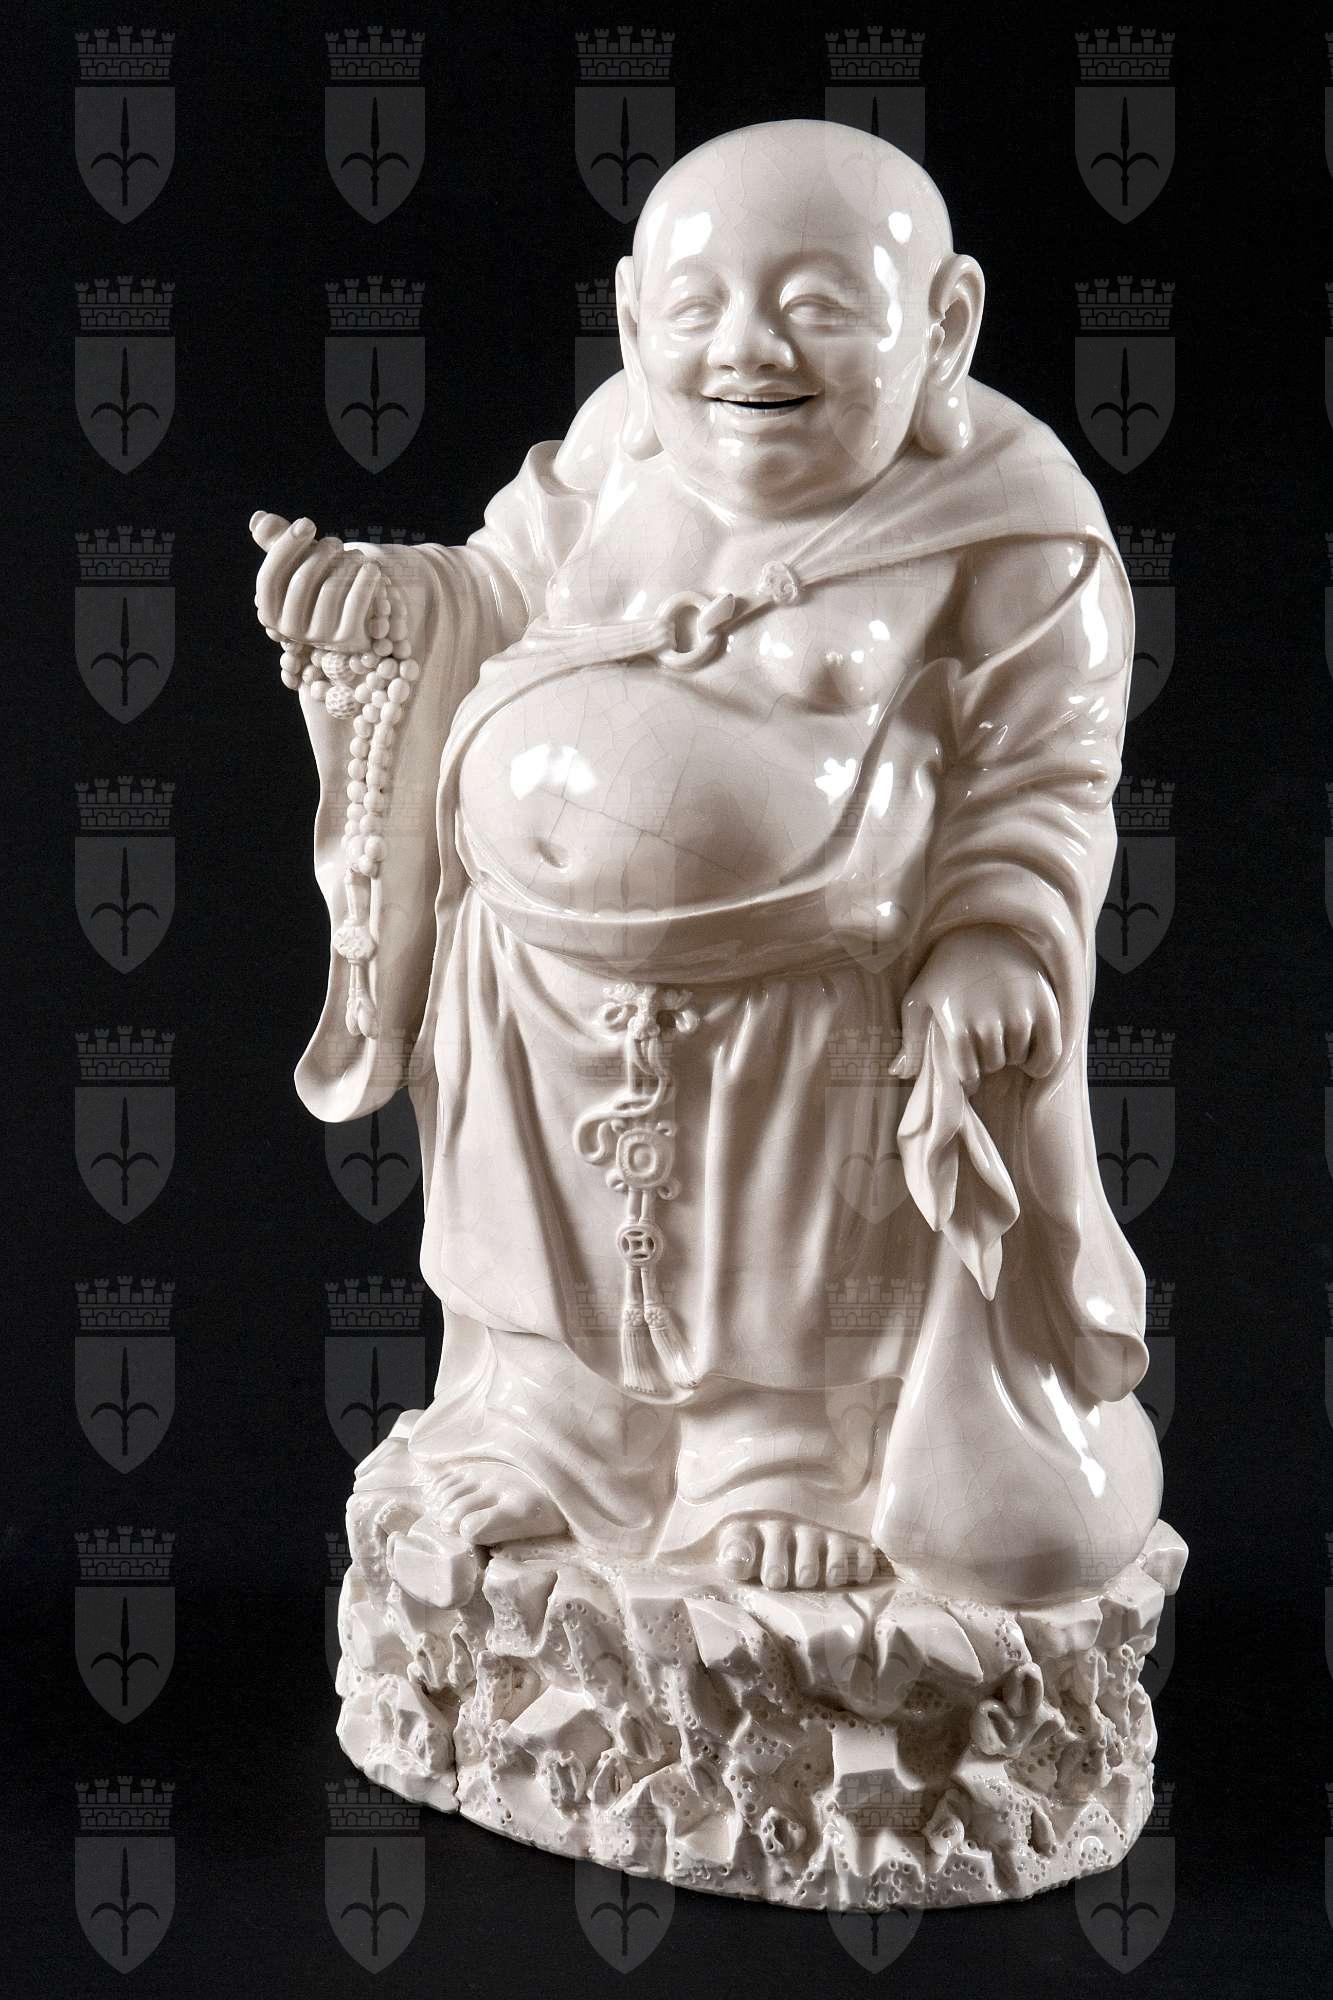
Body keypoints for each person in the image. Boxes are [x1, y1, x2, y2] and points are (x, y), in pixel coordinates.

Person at [252, 119, 1161, 1605]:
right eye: (694, 308)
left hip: (806, 996)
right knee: (537, 1235)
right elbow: (496, 590)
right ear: (629, 321)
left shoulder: (1010, 527)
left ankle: (785, 1454)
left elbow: (1043, 773)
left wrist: (997, 936)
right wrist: (385, 604)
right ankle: (553, 1427)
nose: (746, 348)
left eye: (817, 306)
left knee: (788, 1246)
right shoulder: (620, 447)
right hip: (528, 977)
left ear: (944, 326)